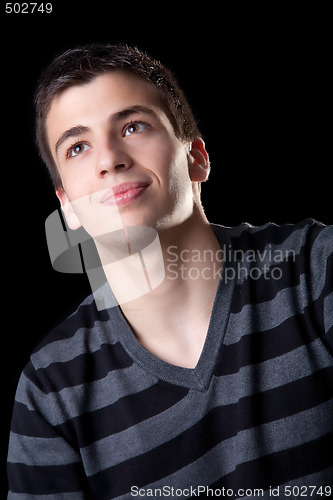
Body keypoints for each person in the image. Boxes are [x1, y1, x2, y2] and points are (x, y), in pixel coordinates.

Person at [7, 43, 333, 499]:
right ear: (67, 207)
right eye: (78, 147)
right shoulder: (51, 388)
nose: (109, 160)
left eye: (132, 126)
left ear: (196, 156)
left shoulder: (314, 271)